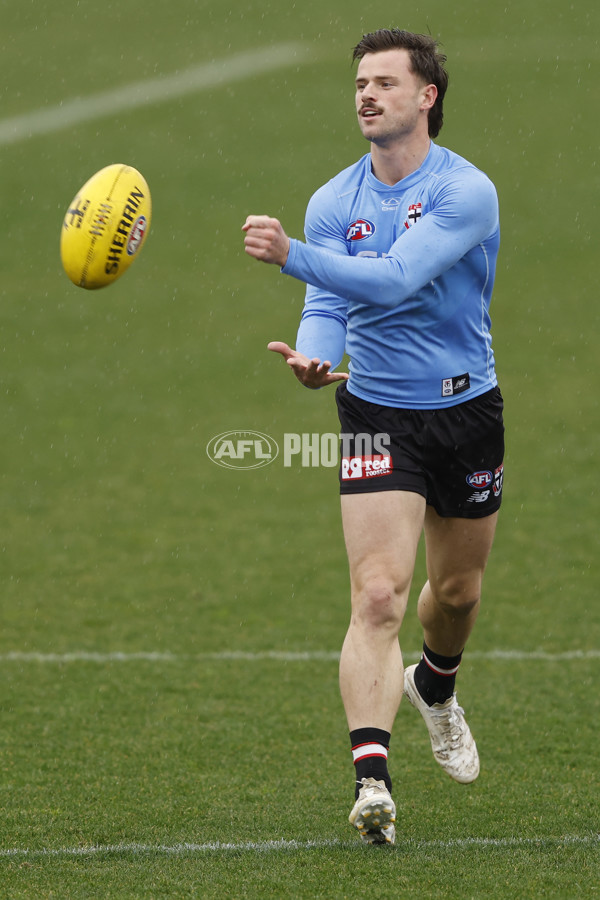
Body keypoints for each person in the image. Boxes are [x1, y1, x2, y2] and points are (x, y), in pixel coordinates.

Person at [242, 28, 504, 846]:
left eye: (386, 82)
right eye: (360, 82)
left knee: (454, 596)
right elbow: (333, 306)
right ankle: (372, 781)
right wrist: (317, 355)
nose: (366, 94)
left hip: (467, 412)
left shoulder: (467, 191)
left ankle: (438, 684)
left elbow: (393, 279)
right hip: (376, 414)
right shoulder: (334, 200)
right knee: (380, 593)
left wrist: (292, 258)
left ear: (427, 97)